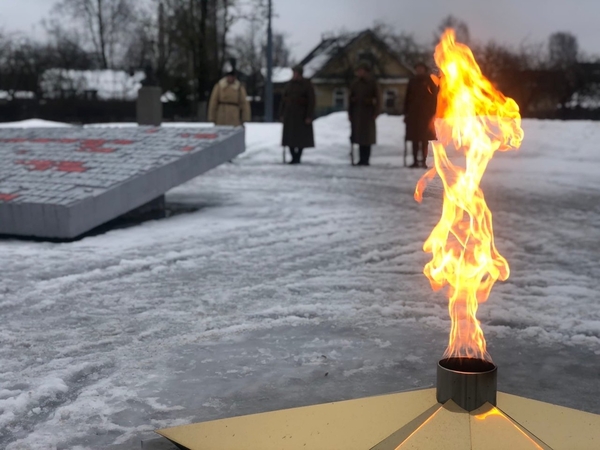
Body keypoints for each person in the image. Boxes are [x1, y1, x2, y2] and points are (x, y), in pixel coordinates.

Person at [404, 62, 438, 168]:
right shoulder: (412, 81)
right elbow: (407, 98)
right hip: (413, 114)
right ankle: (415, 161)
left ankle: (423, 160)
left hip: (425, 115)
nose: (419, 70)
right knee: (415, 138)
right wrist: (406, 112)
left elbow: (434, 98)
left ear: (424, 69)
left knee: (424, 139)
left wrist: (432, 112)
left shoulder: (429, 81)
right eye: (417, 68)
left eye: (421, 68)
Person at [280, 65, 316, 164]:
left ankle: (298, 156)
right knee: (289, 138)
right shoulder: (289, 85)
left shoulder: (307, 84)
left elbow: (311, 101)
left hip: (301, 115)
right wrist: (282, 113)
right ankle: (293, 156)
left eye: (296, 73)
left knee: (300, 138)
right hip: (290, 115)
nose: (294, 75)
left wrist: (309, 115)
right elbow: (284, 100)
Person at [349, 60, 381, 166]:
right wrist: (350, 113)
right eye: (358, 71)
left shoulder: (372, 83)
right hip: (358, 113)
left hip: (368, 114)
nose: (360, 73)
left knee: (367, 138)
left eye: (361, 71)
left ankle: (366, 159)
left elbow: (378, 98)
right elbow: (350, 99)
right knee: (359, 137)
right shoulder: (355, 83)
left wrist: (376, 112)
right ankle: (361, 159)